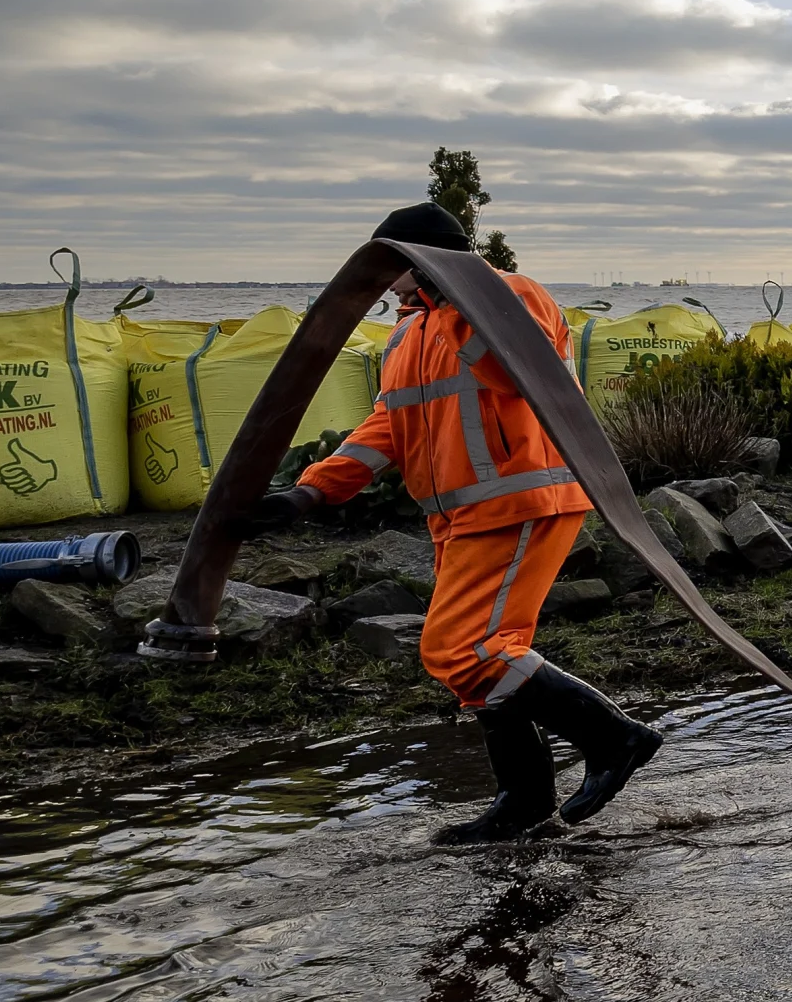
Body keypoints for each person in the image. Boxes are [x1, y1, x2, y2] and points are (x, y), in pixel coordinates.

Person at [247, 203, 666, 844]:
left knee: (460, 650)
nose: (383, 285)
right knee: (488, 656)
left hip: (522, 500)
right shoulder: (408, 335)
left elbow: (508, 371)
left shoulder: (509, 294)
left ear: (419, 259)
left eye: (390, 267)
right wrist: (311, 492)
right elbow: (388, 424)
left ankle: (613, 738)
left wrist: (450, 296)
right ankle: (525, 802)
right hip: (461, 516)